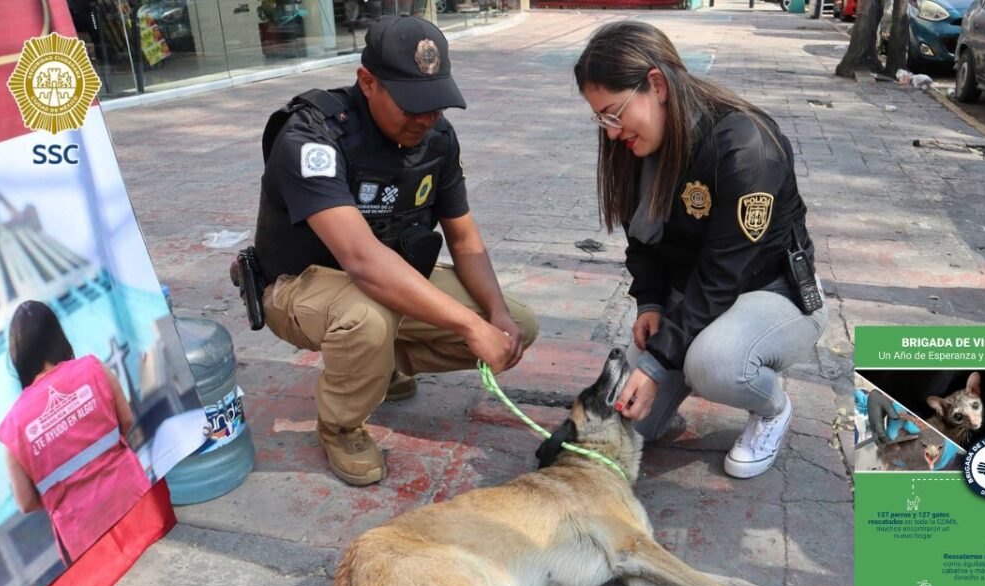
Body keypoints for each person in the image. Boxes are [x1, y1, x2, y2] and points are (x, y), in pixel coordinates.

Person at [252, 15, 537, 486]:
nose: (426, 118)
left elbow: (464, 240)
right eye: (412, 105)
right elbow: (362, 262)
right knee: (366, 317)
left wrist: (496, 314)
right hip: (299, 286)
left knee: (518, 326)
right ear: (367, 82)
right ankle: (341, 423)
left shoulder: (437, 138)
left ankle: (378, 366)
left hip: (384, 281)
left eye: (436, 105)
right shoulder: (313, 136)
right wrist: (467, 323)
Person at [573, 21, 827, 479]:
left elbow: (722, 275)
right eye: (602, 120)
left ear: (656, 84)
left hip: (772, 293)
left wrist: (656, 364)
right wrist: (651, 301)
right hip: (692, 298)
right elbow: (642, 242)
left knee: (714, 363)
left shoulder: (745, 147)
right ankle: (683, 361)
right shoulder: (639, 148)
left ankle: (771, 407)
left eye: (614, 113)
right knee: (622, 424)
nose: (611, 133)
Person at [0, 301, 149, 563]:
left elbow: (25, 501)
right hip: (134, 498)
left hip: (82, 533)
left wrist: (67, 493)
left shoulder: (13, 426)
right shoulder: (93, 368)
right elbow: (126, 419)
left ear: (17, 356)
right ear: (58, 336)